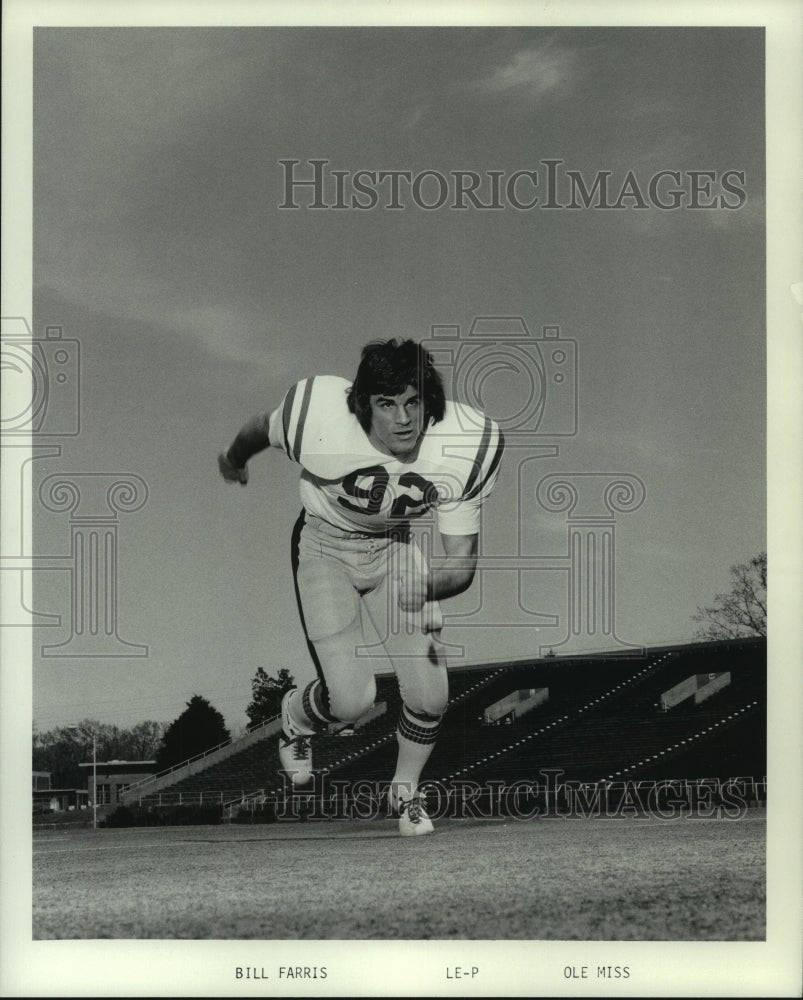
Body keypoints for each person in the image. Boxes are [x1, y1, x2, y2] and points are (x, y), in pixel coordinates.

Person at [218, 338, 503, 835]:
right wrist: (235, 457)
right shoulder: (321, 416)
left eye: (413, 401)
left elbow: (462, 563)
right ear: (363, 404)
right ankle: (297, 717)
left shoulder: (461, 446)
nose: (403, 419)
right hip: (325, 548)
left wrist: (429, 586)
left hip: (394, 551)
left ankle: (406, 794)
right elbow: (262, 427)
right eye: (386, 404)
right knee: (351, 701)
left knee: (432, 695)